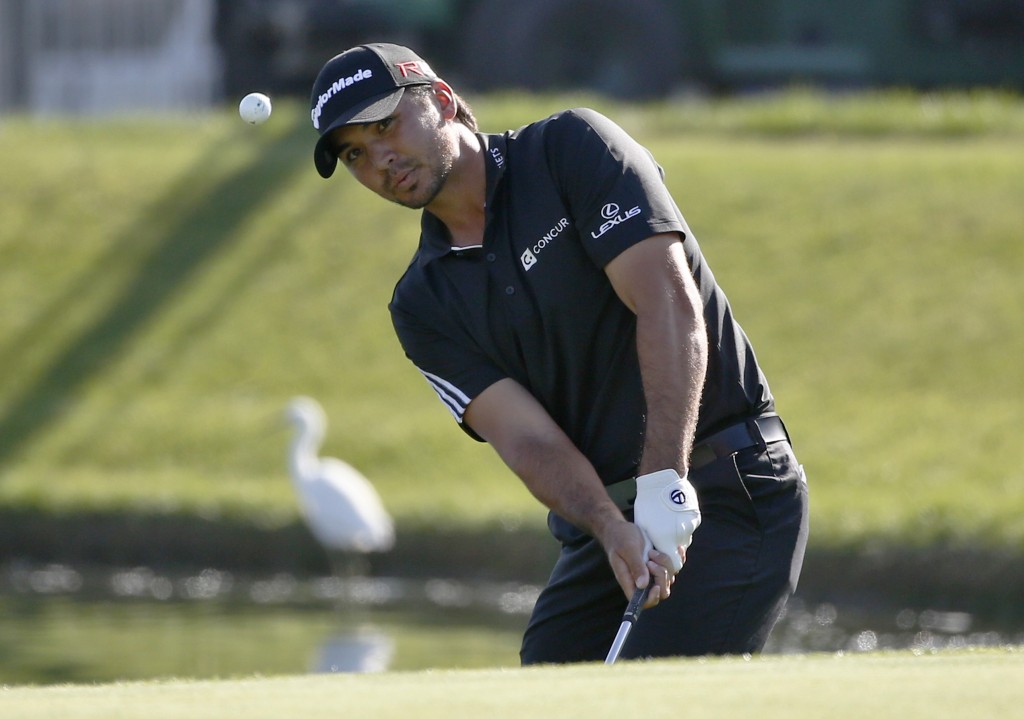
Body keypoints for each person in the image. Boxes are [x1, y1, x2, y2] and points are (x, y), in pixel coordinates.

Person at [308, 43, 810, 663]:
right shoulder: (423, 303)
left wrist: (663, 480)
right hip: (607, 529)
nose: (379, 158)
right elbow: (527, 441)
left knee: (649, 697)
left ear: (440, 102)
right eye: (354, 153)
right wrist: (609, 526)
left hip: (728, 485)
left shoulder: (571, 149)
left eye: (386, 125)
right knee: (546, 681)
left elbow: (668, 306)